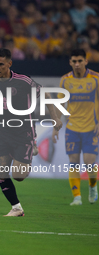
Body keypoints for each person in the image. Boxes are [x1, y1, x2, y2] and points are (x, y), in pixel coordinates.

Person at [0, 48, 62, 216]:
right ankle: (16, 207)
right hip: (2, 132)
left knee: (18, 175)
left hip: (24, 133)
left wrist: (55, 119)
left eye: (1, 64)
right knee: (1, 171)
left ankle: (31, 147)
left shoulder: (24, 82)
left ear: (9, 64)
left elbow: (46, 95)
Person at [52, 49, 99, 205]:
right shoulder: (65, 80)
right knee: (73, 161)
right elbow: (60, 104)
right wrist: (56, 125)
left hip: (91, 127)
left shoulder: (96, 78)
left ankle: (93, 186)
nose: (77, 64)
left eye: (80, 61)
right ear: (70, 62)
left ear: (86, 61)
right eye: (74, 61)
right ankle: (77, 197)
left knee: (89, 162)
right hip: (72, 127)